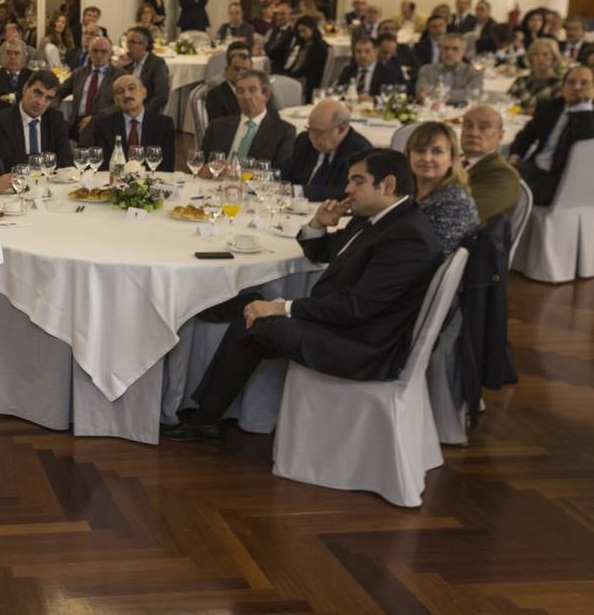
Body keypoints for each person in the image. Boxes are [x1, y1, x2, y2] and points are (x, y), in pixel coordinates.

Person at [163, 149, 442, 441]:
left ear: (387, 184)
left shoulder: (406, 237)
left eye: (358, 181)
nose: (347, 189)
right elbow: (325, 252)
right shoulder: (381, 219)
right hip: (351, 326)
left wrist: (283, 308)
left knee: (259, 321)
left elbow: (356, 308)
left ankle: (205, 419)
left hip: (363, 346)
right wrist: (318, 224)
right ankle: (208, 323)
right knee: (250, 304)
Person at [509, 65, 594, 205]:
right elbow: (526, 135)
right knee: (493, 176)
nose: (577, 87)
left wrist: (584, 105)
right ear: (563, 86)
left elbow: (585, 142)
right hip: (534, 168)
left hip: (562, 180)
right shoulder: (550, 106)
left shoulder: (589, 117)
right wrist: (515, 156)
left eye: (584, 83)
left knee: (506, 190)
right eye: (571, 82)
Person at [405, 121, 480, 254]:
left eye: (437, 151)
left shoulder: (454, 204)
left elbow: (427, 257)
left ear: (452, 158)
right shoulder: (407, 191)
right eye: (420, 150)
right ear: (409, 155)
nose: (427, 158)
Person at [200, 69, 296, 171]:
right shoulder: (217, 127)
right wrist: (206, 170)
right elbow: (199, 164)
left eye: (252, 90)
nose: (246, 96)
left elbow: (280, 173)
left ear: (266, 94)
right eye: (240, 91)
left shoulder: (283, 132)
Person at [282, 99, 371, 202]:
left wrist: (298, 191)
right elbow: (286, 172)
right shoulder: (304, 140)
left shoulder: (360, 151)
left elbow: (346, 191)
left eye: (318, 132)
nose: (312, 136)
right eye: (310, 129)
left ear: (341, 129)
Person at [84, 74, 176, 171]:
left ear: (144, 92)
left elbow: (167, 166)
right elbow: (101, 165)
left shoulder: (163, 124)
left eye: (132, 88)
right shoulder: (103, 125)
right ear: (115, 100)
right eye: (120, 91)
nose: (127, 95)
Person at [0, 69, 73, 169]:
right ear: (25, 88)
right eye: (37, 93)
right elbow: (6, 163)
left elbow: (65, 160)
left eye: (48, 98)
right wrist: (47, 161)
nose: (41, 102)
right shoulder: (0, 121)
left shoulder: (56, 119)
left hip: (49, 182)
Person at [459, 105, 522, 224]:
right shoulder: (451, 161)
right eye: (468, 125)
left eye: (483, 127)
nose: (473, 133)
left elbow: (461, 216)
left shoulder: (503, 176)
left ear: (500, 136)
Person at [61, 35, 123, 139]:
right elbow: (58, 92)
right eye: (95, 50)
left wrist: (95, 119)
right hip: (77, 125)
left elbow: (121, 105)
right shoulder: (79, 73)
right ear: (88, 52)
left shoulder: (119, 76)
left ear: (111, 54)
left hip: (105, 125)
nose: (99, 55)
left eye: (104, 51)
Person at [416, 34, 483, 105]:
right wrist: (462, 92)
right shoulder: (427, 70)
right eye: (446, 48)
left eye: (455, 49)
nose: (449, 53)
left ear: (464, 51)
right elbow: (421, 94)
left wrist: (434, 93)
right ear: (440, 50)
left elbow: (473, 95)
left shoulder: (474, 73)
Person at [117, 27, 170, 115]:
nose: (128, 46)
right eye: (127, 42)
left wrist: (141, 112)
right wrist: (118, 67)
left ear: (144, 45)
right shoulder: (128, 63)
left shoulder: (156, 64)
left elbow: (162, 96)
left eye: (132, 42)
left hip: (146, 113)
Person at [338, 35, 405, 100]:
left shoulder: (389, 72)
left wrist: (374, 99)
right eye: (359, 52)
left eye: (367, 51)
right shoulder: (348, 71)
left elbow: (396, 97)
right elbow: (339, 92)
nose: (362, 55)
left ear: (376, 52)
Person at [507, 38, 563, 114]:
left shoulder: (559, 85)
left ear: (554, 57)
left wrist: (522, 111)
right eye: (536, 54)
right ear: (530, 58)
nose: (540, 58)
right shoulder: (521, 81)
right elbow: (507, 104)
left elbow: (556, 112)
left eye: (545, 54)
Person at [283, 15, 329, 104]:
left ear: (312, 29)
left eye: (304, 31)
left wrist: (291, 75)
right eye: (299, 31)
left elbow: (308, 67)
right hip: (296, 75)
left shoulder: (319, 46)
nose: (301, 35)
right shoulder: (301, 44)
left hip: (309, 80)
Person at [204, 45, 253, 122]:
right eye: (236, 69)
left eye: (245, 69)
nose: (240, 73)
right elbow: (218, 128)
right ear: (226, 71)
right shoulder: (216, 95)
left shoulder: (258, 91)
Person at [0, 40, 32, 116]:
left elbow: (32, 101)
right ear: (2, 55)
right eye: (9, 53)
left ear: (23, 57)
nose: (12, 57)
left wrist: (9, 97)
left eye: (16, 53)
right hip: (1, 120)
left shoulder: (31, 76)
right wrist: (21, 99)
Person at [264, 4, 296, 73]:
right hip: (269, 66)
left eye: (283, 14)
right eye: (277, 14)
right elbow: (266, 46)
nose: (279, 17)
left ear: (290, 15)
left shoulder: (293, 33)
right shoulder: (272, 31)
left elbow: (284, 54)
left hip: (281, 70)